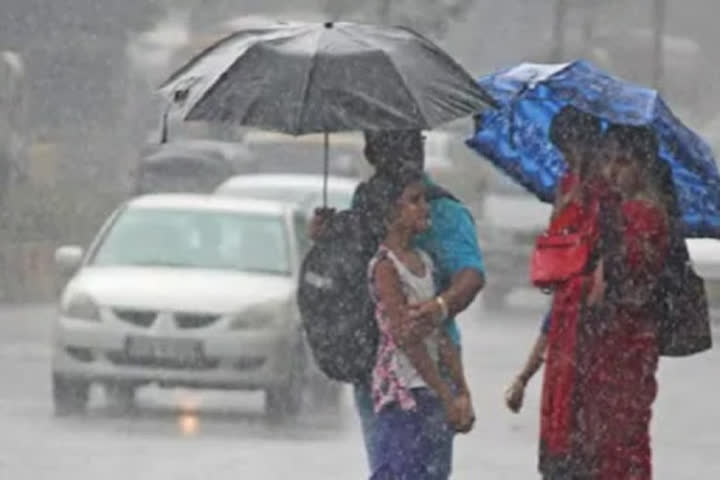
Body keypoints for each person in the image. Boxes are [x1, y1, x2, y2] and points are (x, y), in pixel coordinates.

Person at [311, 130, 485, 475]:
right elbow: (403, 332)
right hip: (386, 376)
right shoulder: (372, 218)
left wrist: (440, 307)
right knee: (397, 465)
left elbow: (470, 279)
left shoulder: (443, 212)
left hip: (428, 374)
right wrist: (327, 237)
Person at [367, 167, 474, 479]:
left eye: (424, 199)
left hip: (431, 392)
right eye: (414, 201)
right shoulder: (386, 266)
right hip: (401, 393)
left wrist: (461, 391)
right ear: (391, 213)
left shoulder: (425, 262)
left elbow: (441, 331)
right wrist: (445, 393)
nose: (425, 207)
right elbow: (406, 338)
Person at [504, 106, 602, 414]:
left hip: (592, 304)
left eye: (571, 148)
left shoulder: (605, 191)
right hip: (566, 293)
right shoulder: (567, 184)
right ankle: (523, 378)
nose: (568, 157)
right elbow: (557, 236)